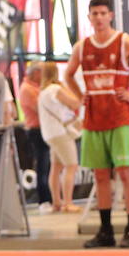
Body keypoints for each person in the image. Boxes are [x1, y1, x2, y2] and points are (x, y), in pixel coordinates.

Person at [63, 0, 129, 248]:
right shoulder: (82, 47)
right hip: (94, 117)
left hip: (119, 117)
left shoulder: (124, 42)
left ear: (110, 16)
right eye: (94, 14)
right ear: (89, 18)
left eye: (102, 13)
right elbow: (67, 74)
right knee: (100, 176)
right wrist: (80, 96)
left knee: (126, 173)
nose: (98, 18)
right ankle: (106, 230)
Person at [37, 62, 83, 214]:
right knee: (71, 165)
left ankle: (57, 201)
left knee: (56, 168)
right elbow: (75, 103)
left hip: (50, 133)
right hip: (61, 133)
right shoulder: (55, 89)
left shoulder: (43, 92)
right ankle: (68, 203)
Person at [18, 64, 52, 213]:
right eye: (42, 73)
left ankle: (50, 197)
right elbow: (42, 109)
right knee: (42, 166)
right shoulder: (27, 89)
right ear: (36, 73)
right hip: (36, 131)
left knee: (48, 166)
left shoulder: (38, 88)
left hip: (43, 129)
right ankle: (44, 199)